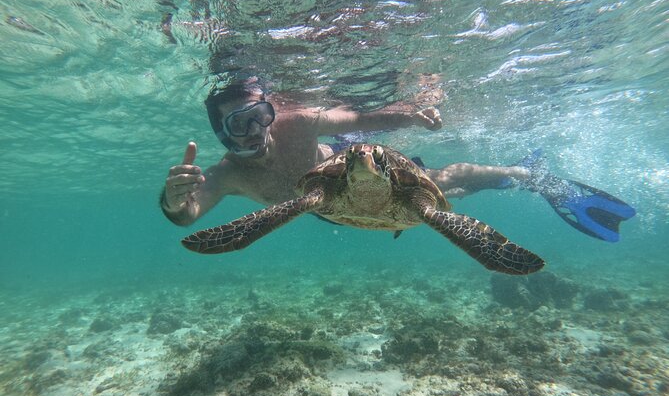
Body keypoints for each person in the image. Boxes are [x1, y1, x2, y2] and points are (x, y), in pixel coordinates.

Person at [161, 77, 635, 242]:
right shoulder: (225, 174)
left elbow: (360, 116)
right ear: (219, 133)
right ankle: (502, 181)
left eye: (260, 115)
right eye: (237, 124)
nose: (255, 130)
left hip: (355, 165)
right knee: (440, 199)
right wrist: (172, 200)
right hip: (333, 213)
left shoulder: (297, 121)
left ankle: (531, 176)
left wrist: (411, 116)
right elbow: (187, 215)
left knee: (439, 182)